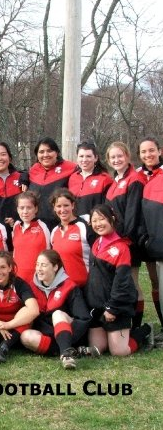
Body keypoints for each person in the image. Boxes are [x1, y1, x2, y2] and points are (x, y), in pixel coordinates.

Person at [84, 204, 153, 356]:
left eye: (101, 219)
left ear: (112, 219)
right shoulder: (97, 242)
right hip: (97, 306)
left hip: (116, 307)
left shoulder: (122, 248)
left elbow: (122, 283)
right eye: (94, 220)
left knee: (119, 351)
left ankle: (145, 331)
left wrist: (113, 308)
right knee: (98, 348)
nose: (98, 224)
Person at [20, 250, 96, 370]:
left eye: (44, 265)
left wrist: (70, 340)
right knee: (26, 336)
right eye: (37, 264)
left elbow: (83, 318)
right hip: (49, 336)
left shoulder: (70, 286)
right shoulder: (31, 287)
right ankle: (68, 351)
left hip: (69, 333)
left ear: (55, 267)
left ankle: (66, 354)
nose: (39, 268)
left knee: (57, 314)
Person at [105, 141, 146, 328]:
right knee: (123, 284)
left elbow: (133, 214)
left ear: (127, 156)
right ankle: (127, 322)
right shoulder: (114, 182)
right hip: (115, 241)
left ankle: (137, 326)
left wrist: (124, 239)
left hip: (129, 241)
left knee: (133, 283)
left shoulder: (134, 179)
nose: (116, 160)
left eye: (120, 156)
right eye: (113, 157)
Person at [136, 136, 163, 339]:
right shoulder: (139, 176)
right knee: (153, 283)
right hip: (146, 239)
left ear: (159, 151)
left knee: (159, 282)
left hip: (159, 239)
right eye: (144, 152)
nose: (148, 155)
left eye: (151, 150)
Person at [20, 137, 76, 230]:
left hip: (60, 226)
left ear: (57, 152)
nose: (45, 155)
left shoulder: (71, 168)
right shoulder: (34, 169)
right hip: (35, 226)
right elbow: (22, 174)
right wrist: (24, 178)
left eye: (49, 151)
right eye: (41, 152)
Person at [49, 188, 95, 287]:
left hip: (85, 287)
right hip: (62, 288)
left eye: (66, 205)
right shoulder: (54, 232)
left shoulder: (84, 227)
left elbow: (97, 257)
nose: (62, 210)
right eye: (59, 206)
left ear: (73, 205)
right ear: (54, 207)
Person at [12, 191, 50, 284]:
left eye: (29, 207)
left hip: (38, 280)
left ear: (36, 209)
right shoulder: (16, 226)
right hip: (18, 279)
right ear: (17, 209)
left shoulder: (43, 226)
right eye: (22, 208)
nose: (25, 211)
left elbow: (49, 253)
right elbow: (15, 253)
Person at [68, 141, 112, 220]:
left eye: (88, 156)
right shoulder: (72, 177)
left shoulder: (105, 179)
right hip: (75, 226)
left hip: (95, 226)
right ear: (77, 158)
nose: (84, 160)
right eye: (81, 156)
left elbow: (107, 208)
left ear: (95, 158)